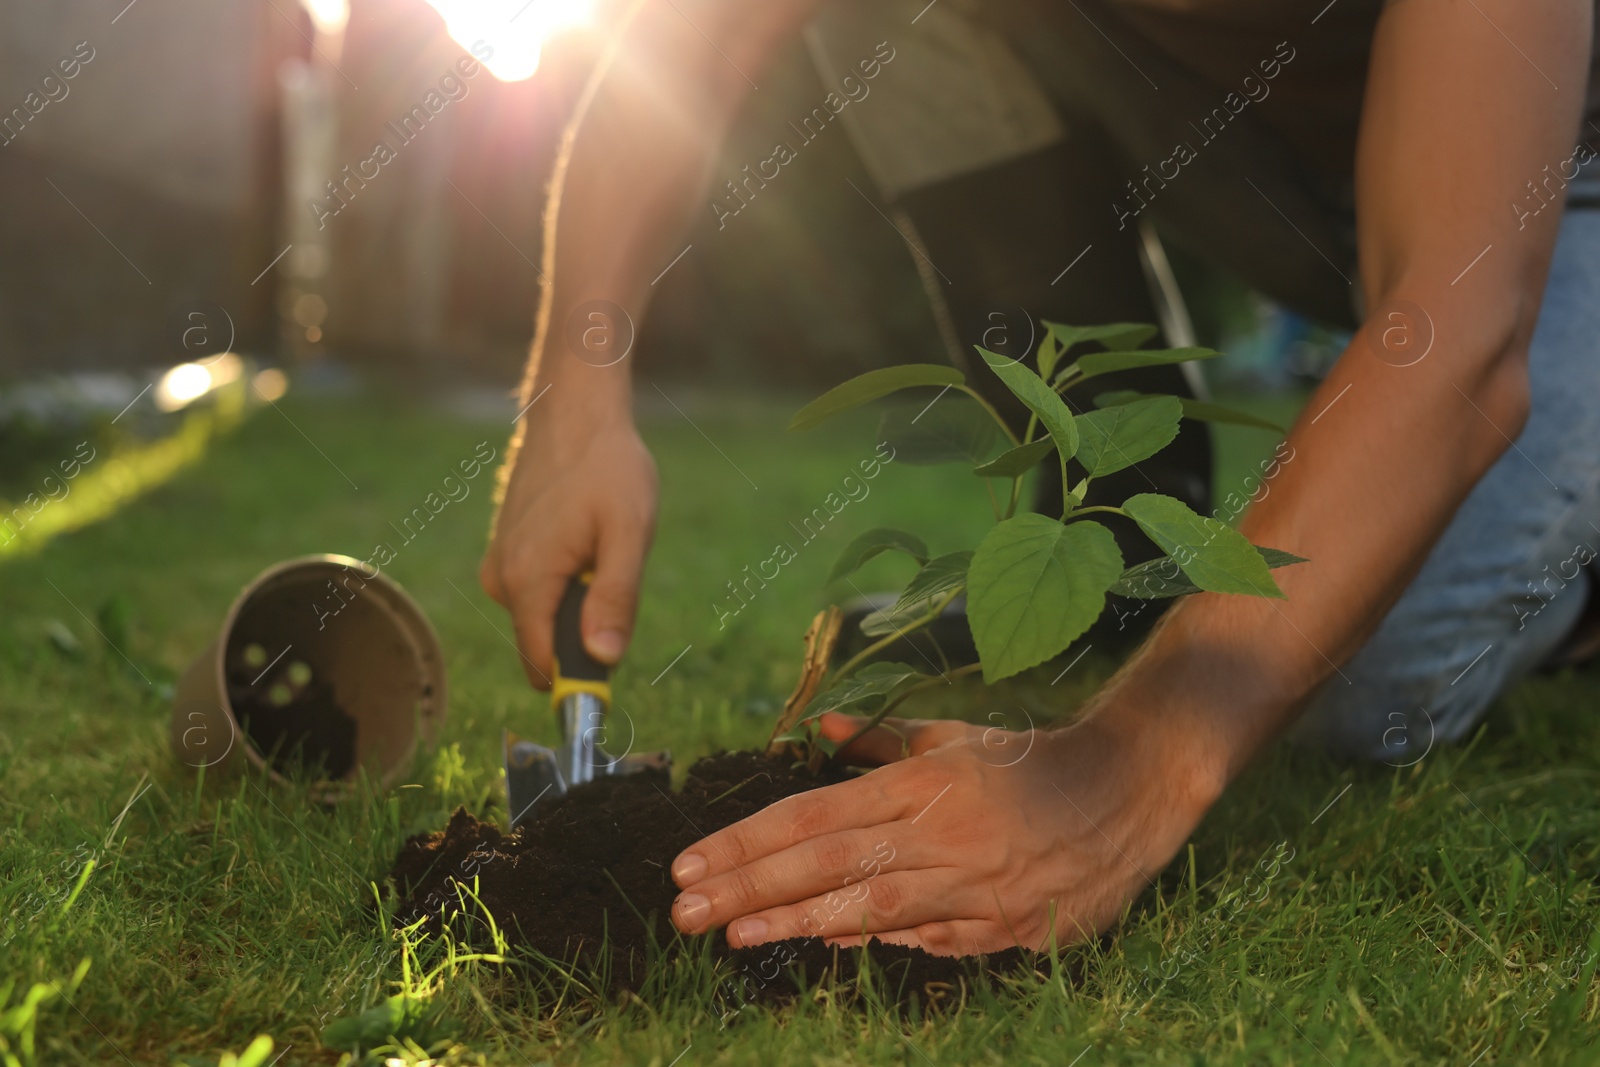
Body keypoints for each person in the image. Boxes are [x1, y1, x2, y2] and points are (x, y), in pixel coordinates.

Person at [480, 0, 1600, 956]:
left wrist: (1126, 769)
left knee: (1337, 680)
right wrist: (569, 398)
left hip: (1551, 187)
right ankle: (1112, 556)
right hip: (1281, 155)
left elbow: (1458, 328)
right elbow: (690, 37)